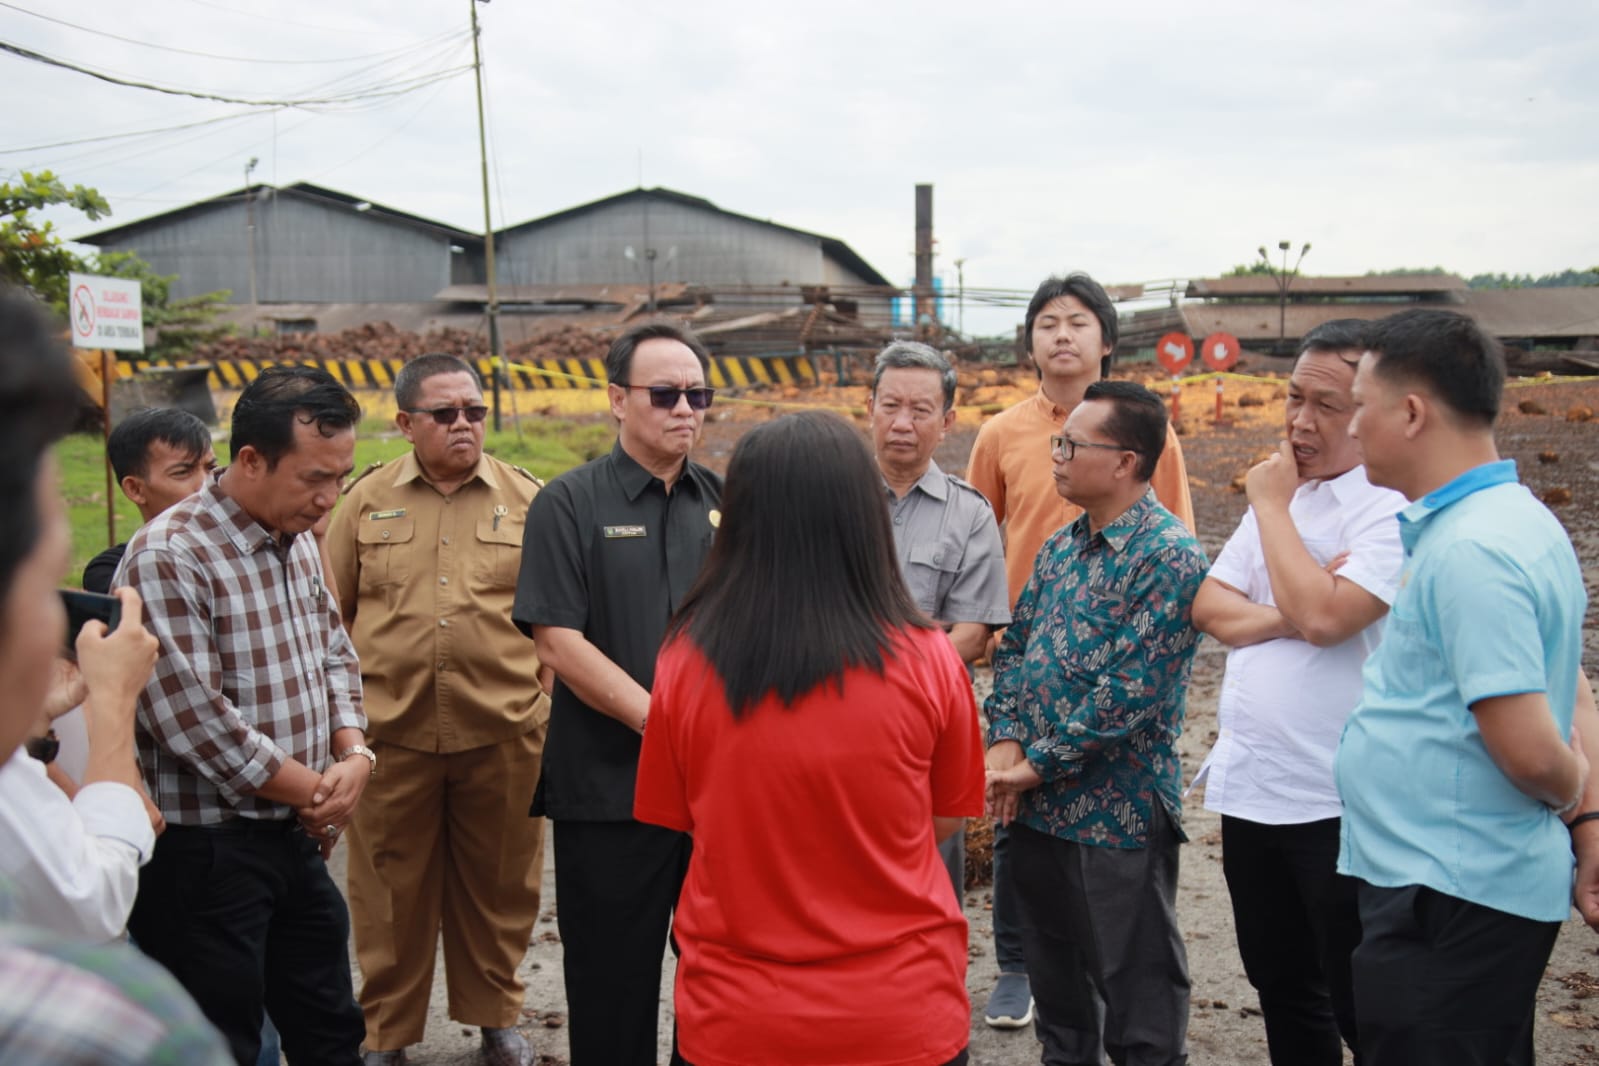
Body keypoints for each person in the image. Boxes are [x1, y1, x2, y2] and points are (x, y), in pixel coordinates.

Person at [635, 411, 986, 1066]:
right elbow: (941, 816)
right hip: (900, 1014)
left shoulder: (683, 660)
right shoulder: (930, 658)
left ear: (738, 518)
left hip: (738, 1019)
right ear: (862, 514)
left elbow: (681, 816)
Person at [1335, 309, 1590, 1066]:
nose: (1351, 429)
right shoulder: (1499, 523)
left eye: (1359, 405)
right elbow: (1567, 681)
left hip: (1452, 894)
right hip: (1441, 883)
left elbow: (1531, 748)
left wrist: (1573, 785)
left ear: (1411, 413)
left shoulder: (1475, 549)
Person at [0, 283, 231, 1065]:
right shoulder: (110, 1027)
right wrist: (109, 703)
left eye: (210, 468)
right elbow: (89, 902)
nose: (202, 489)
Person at [117, 365, 371, 1065]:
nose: (328, 499)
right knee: (220, 1039)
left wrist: (354, 753)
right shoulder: (170, 553)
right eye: (313, 478)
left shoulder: (297, 540)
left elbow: (334, 654)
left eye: (340, 477)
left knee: (329, 1026)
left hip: (293, 835)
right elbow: (194, 721)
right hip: (208, 854)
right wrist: (319, 792)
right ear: (251, 460)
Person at [964, 272, 1195, 1029]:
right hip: (1034, 779)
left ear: (1126, 461)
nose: (1055, 454)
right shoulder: (1061, 541)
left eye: (1071, 446)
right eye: (1046, 323)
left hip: (1115, 805)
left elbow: (1130, 687)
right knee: (1059, 995)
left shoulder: (1164, 552)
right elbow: (1017, 634)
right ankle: (1020, 979)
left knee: (1131, 996)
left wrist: (1030, 763)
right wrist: (1005, 739)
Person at [1190, 319, 1405, 1064]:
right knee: (1282, 987)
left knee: (1361, 1001)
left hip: (1338, 799)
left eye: (1325, 405)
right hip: (1254, 788)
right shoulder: (1283, 492)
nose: (1298, 421)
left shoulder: (1386, 505)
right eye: (1291, 398)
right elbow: (1212, 608)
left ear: (1374, 409)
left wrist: (1275, 518)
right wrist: (1299, 602)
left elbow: (1330, 617)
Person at [327, 354, 550, 1066]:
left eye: (474, 412)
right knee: (389, 891)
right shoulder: (363, 502)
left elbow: (556, 626)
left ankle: (496, 1020)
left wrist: (537, 699)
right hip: (391, 736)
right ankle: (388, 1034)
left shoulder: (528, 500)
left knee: (501, 884)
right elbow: (333, 615)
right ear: (404, 423)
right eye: (444, 414)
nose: (463, 425)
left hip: (504, 732)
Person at [513, 321, 722, 1065]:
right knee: (610, 984)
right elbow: (557, 642)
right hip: (610, 791)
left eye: (697, 394)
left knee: (719, 976)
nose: (683, 409)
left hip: (717, 792)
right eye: (663, 393)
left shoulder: (726, 505)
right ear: (615, 399)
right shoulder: (567, 505)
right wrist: (668, 726)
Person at [867, 340, 1008, 898]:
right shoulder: (833, 497)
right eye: (890, 405)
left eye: (920, 410)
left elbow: (972, 634)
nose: (902, 422)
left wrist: (886, 685)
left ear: (946, 421)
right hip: (832, 721)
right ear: (869, 408)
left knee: (931, 880)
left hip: (926, 725)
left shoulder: (970, 512)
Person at [82, 407, 217, 593]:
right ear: (135, 489)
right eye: (182, 473)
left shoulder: (255, 541)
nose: (206, 484)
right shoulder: (113, 570)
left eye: (211, 468)